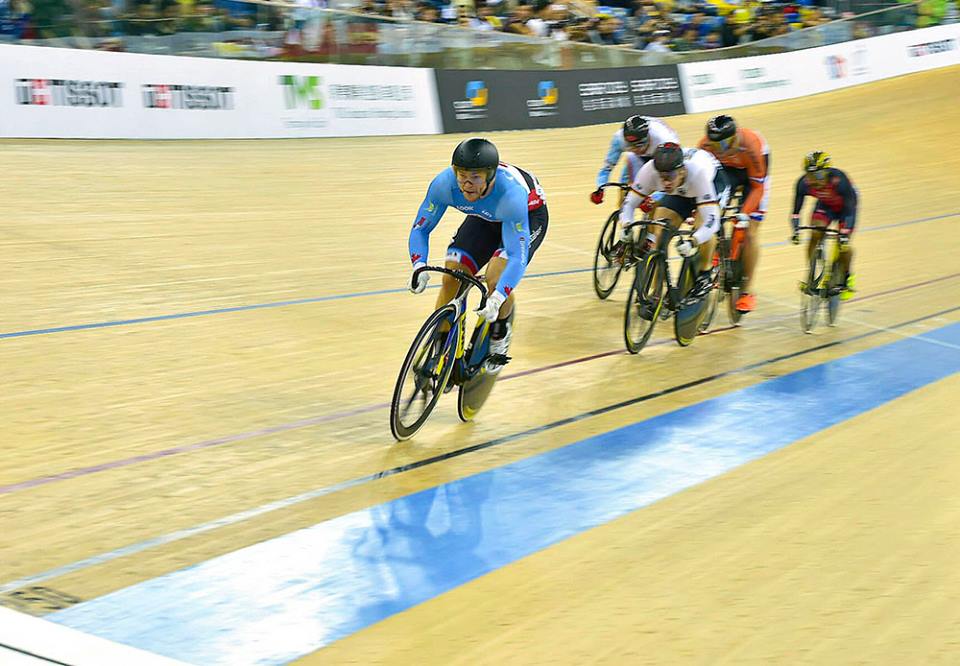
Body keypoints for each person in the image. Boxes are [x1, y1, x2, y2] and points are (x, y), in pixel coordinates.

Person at [408, 138, 548, 371]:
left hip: (525, 217)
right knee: (451, 277)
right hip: (485, 215)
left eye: (475, 177)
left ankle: (500, 330)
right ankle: (441, 346)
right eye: (462, 175)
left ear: (490, 176)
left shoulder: (511, 195)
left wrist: (498, 297)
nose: (467, 184)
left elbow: (517, 257)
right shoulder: (444, 184)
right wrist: (418, 265)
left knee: (495, 279)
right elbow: (420, 229)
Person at [619, 142, 731, 316]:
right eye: (661, 176)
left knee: (701, 228)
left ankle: (705, 274)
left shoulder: (698, 175)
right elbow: (629, 204)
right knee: (660, 231)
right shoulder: (650, 171)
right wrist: (626, 225)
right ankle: (656, 293)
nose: (665, 182)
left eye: (669, 176)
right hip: (681, 192)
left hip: (712, 183)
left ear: (681, 170)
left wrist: (694, 240)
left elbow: (712, 221)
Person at [698, 114, 770, 313]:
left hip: (753, 178)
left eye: (725, 143)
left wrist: (745, 215)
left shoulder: (751, 144)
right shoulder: (705, 145)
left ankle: (747, 291)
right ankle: (715, 251)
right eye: (716, 144)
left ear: (735, 136)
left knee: (749, 232)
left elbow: (758, 188)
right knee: (710, 212)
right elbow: (699, 180)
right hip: (726, 172)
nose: (721, 148)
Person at [790, 150, 858, 300]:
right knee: (814, 232)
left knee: (844, 246)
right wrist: (795, 230)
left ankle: (847, 277)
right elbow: (795, 212)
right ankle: (812, 273)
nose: (814, 180)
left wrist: (845, 234)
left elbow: (850, 210)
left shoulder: (839, 181)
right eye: (810, 175)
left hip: (845, 210)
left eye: (819, 175)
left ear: (827, 173)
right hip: (826, 206)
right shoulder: (804, 184)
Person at [589, 114, 680, 206]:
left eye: (640, 145)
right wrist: (600, 188)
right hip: (638, 158)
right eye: (631, 146)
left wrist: (654, 199)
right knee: (624, 199)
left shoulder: (664, 139)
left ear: (648, 138)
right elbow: (606, 168)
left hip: (661, 155)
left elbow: (673, 180)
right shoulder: (619, 140)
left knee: (659, 193)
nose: (636, 149)